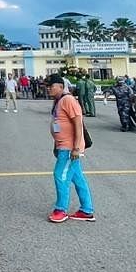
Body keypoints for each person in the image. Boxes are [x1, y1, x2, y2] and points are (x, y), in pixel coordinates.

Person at [46, 73, 94, 223]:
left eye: (51, 86)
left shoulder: (68, 100)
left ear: (61, 86)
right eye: (47, 86)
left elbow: (78, 124)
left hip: (70, 148)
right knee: (78, 178)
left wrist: (76, 148)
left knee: (60, 175)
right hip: (64, 146)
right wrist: (56, 145)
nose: (48, 89)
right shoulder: (59, 101)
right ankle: (87, 210)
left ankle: (61, 209)